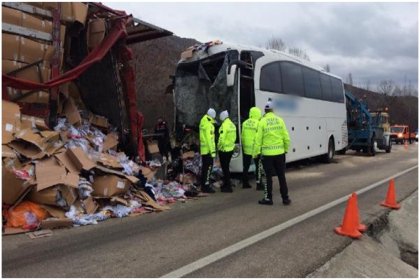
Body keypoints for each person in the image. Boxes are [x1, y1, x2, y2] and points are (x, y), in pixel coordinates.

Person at [253, 100, 291, 205]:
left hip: (267, 155)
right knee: (281, 176)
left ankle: (268, 198)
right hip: (280, 153)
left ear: (265, 110)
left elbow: (258, 139)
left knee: (267, 177)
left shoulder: (262, 122)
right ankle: (285, 198)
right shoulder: (280, 120)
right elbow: (286, 137)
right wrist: (285, 149)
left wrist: (255, 153)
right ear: (273, 110)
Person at [241, 107, 264, 190]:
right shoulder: (259, 123)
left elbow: (242, 136)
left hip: (246, 149)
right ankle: (259, 184)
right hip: (255, 149)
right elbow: (259, 137)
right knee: (258, 167)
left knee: (246, 166)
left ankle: (245, 183)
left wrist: (244, 146)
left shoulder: (244, 123)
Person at [217, 110, 237, 193]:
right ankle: (226, 184)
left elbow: (221, 138)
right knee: (227, 168)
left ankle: (228, 186)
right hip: (230, 149)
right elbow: (234, 137)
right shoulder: (232, 125)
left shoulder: (224, 125)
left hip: (224, 150)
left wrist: (218, 146)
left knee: (225, 169)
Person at [199, 108, 217, 193]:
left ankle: (204, 185)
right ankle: (206, 186)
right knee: (208, 168)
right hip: (208, 150)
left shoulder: (203, 122)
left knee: (204, 168)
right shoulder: (209, 125)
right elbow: (210, 139)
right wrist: (212, 152)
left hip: (204, 150)